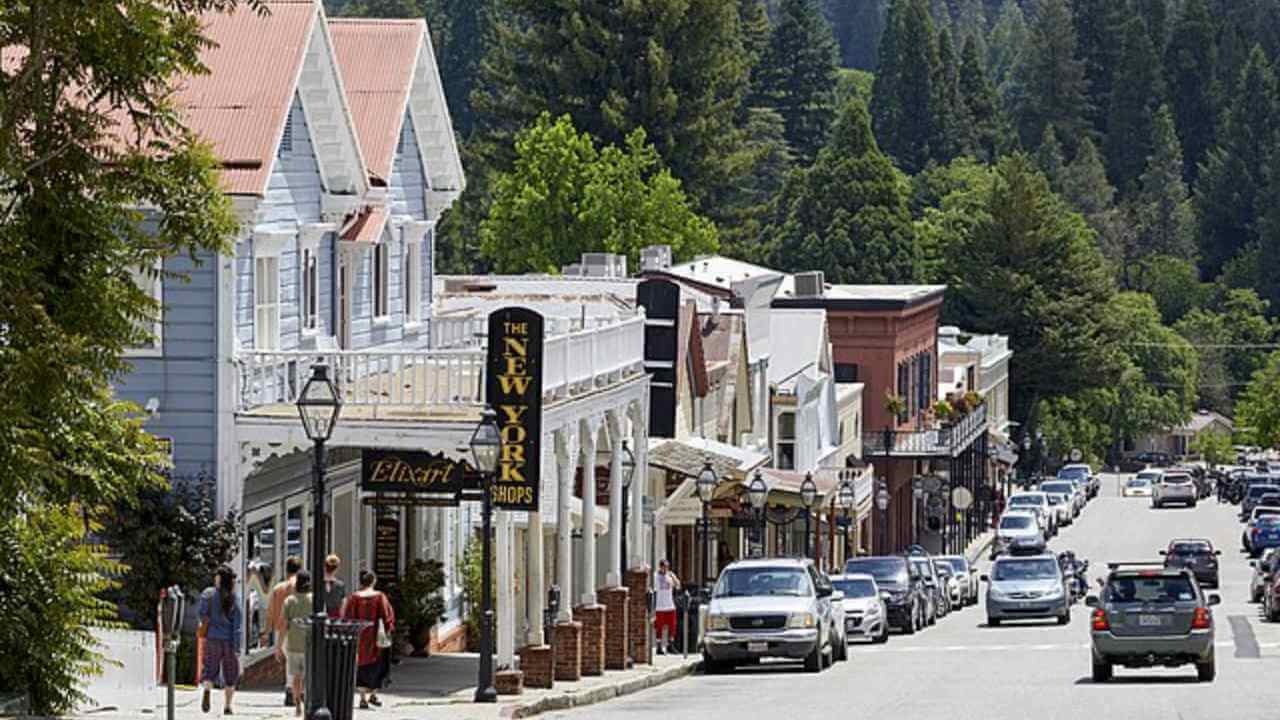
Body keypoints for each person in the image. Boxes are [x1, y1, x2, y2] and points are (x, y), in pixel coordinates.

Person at [342, 570, 395, 709]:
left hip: (359, 638)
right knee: (377, 666)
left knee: (360, 667)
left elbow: (348, 617)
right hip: (375, 638)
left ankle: (362, 698)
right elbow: (387, 616)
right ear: (373, 581)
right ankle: (373, 694)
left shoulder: (354, 598)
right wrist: (389, 630)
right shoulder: (379, 597)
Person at [199, 565, 242, 716]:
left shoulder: (208, 594)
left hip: (212, 638)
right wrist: (237, 647)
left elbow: (202, 615)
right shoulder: (234, 598)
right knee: (230, 674)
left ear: (218, 578)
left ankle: (207, 689)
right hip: (229, 641)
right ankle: (228, 705)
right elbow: (237, 625)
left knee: (210, 669)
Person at [264, 556, 301, 707]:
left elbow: (270, 612)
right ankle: (295, 691)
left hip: (281, 630)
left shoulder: (278, 588)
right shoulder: (302, 587)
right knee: (298, 661)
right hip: (299, 629)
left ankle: (290, 691)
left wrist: (266, 632)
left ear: (286, 569)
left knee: (290, 660)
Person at [278, 571, 312, 717]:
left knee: (296, 676)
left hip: (293, 643)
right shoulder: (314, 600)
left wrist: (278, 646)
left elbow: (283, 625)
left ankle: (297, 702)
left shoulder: (289, 601)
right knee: (308, 676)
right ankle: (307, 701)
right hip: (310, 644)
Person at [653, 559, 680, 654]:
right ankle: (659, 646)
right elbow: (653, 587)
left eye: (667, 567)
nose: (665, 569)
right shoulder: (656, 576)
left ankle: (670, 645)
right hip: (660, 606)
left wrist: (673, 577)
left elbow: (678, 586)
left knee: (672, 625)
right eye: (664, 566)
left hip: (670, 605)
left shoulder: (670, 575)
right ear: (660, 567)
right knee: (659, 627)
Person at [322, 554, 346, 619]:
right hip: (335, 619)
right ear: (337, 568)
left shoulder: (318, 584)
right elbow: (343, 606)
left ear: (324, 567)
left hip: (320, 618)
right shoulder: (340, 585)